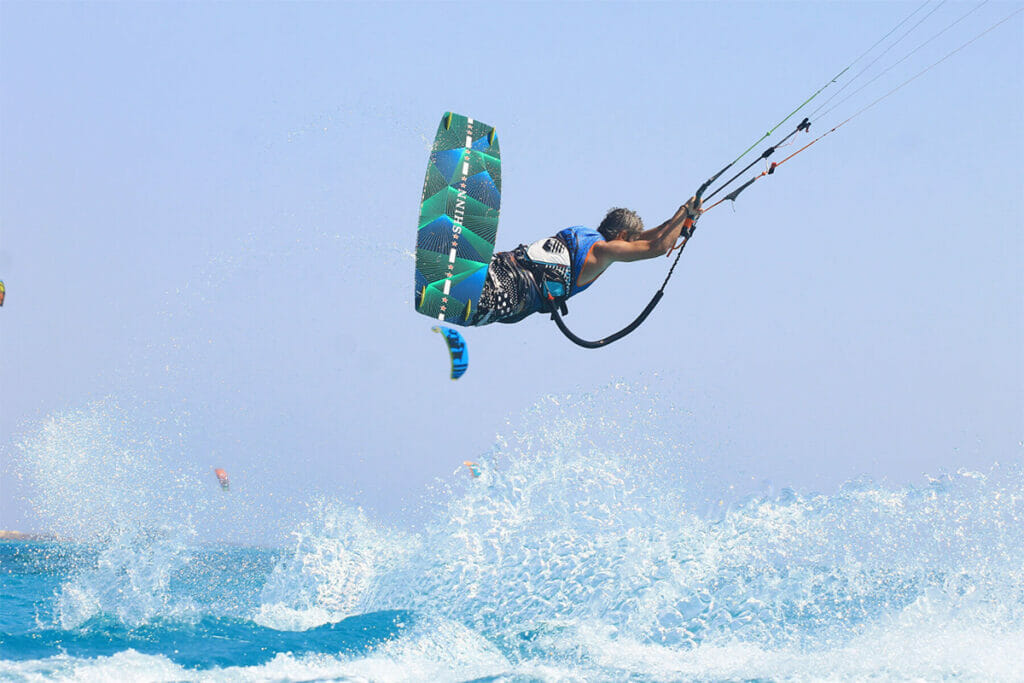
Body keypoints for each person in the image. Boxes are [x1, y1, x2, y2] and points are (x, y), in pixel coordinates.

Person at [470, 196, 702, 326]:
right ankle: (467, 296)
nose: (633, 246)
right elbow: (656, 246)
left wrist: (680, 222)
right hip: (510, 294)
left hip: (497, 266)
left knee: (472, 274)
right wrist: (683, 210)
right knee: (481, 298)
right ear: (621, 237)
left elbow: (652, 236)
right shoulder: (604, 251)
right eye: (630, 241)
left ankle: (451, 270)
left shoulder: (583, 234)